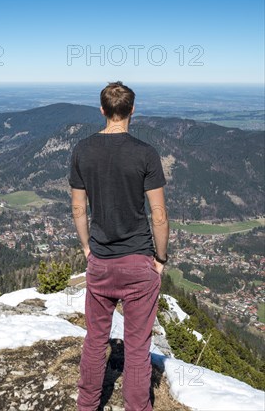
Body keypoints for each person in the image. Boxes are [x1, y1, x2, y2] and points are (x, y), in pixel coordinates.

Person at [69, 81, 169, 411]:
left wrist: (87, 248)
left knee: (95, 340)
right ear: (132, 110)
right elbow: (158, 214)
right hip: (139, 262)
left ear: (102, 110)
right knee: (137, 347)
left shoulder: (83, 150)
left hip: (101, 261)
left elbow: (78, 208)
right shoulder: (145, 153)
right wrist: (160, 259)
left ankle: (87, 405)